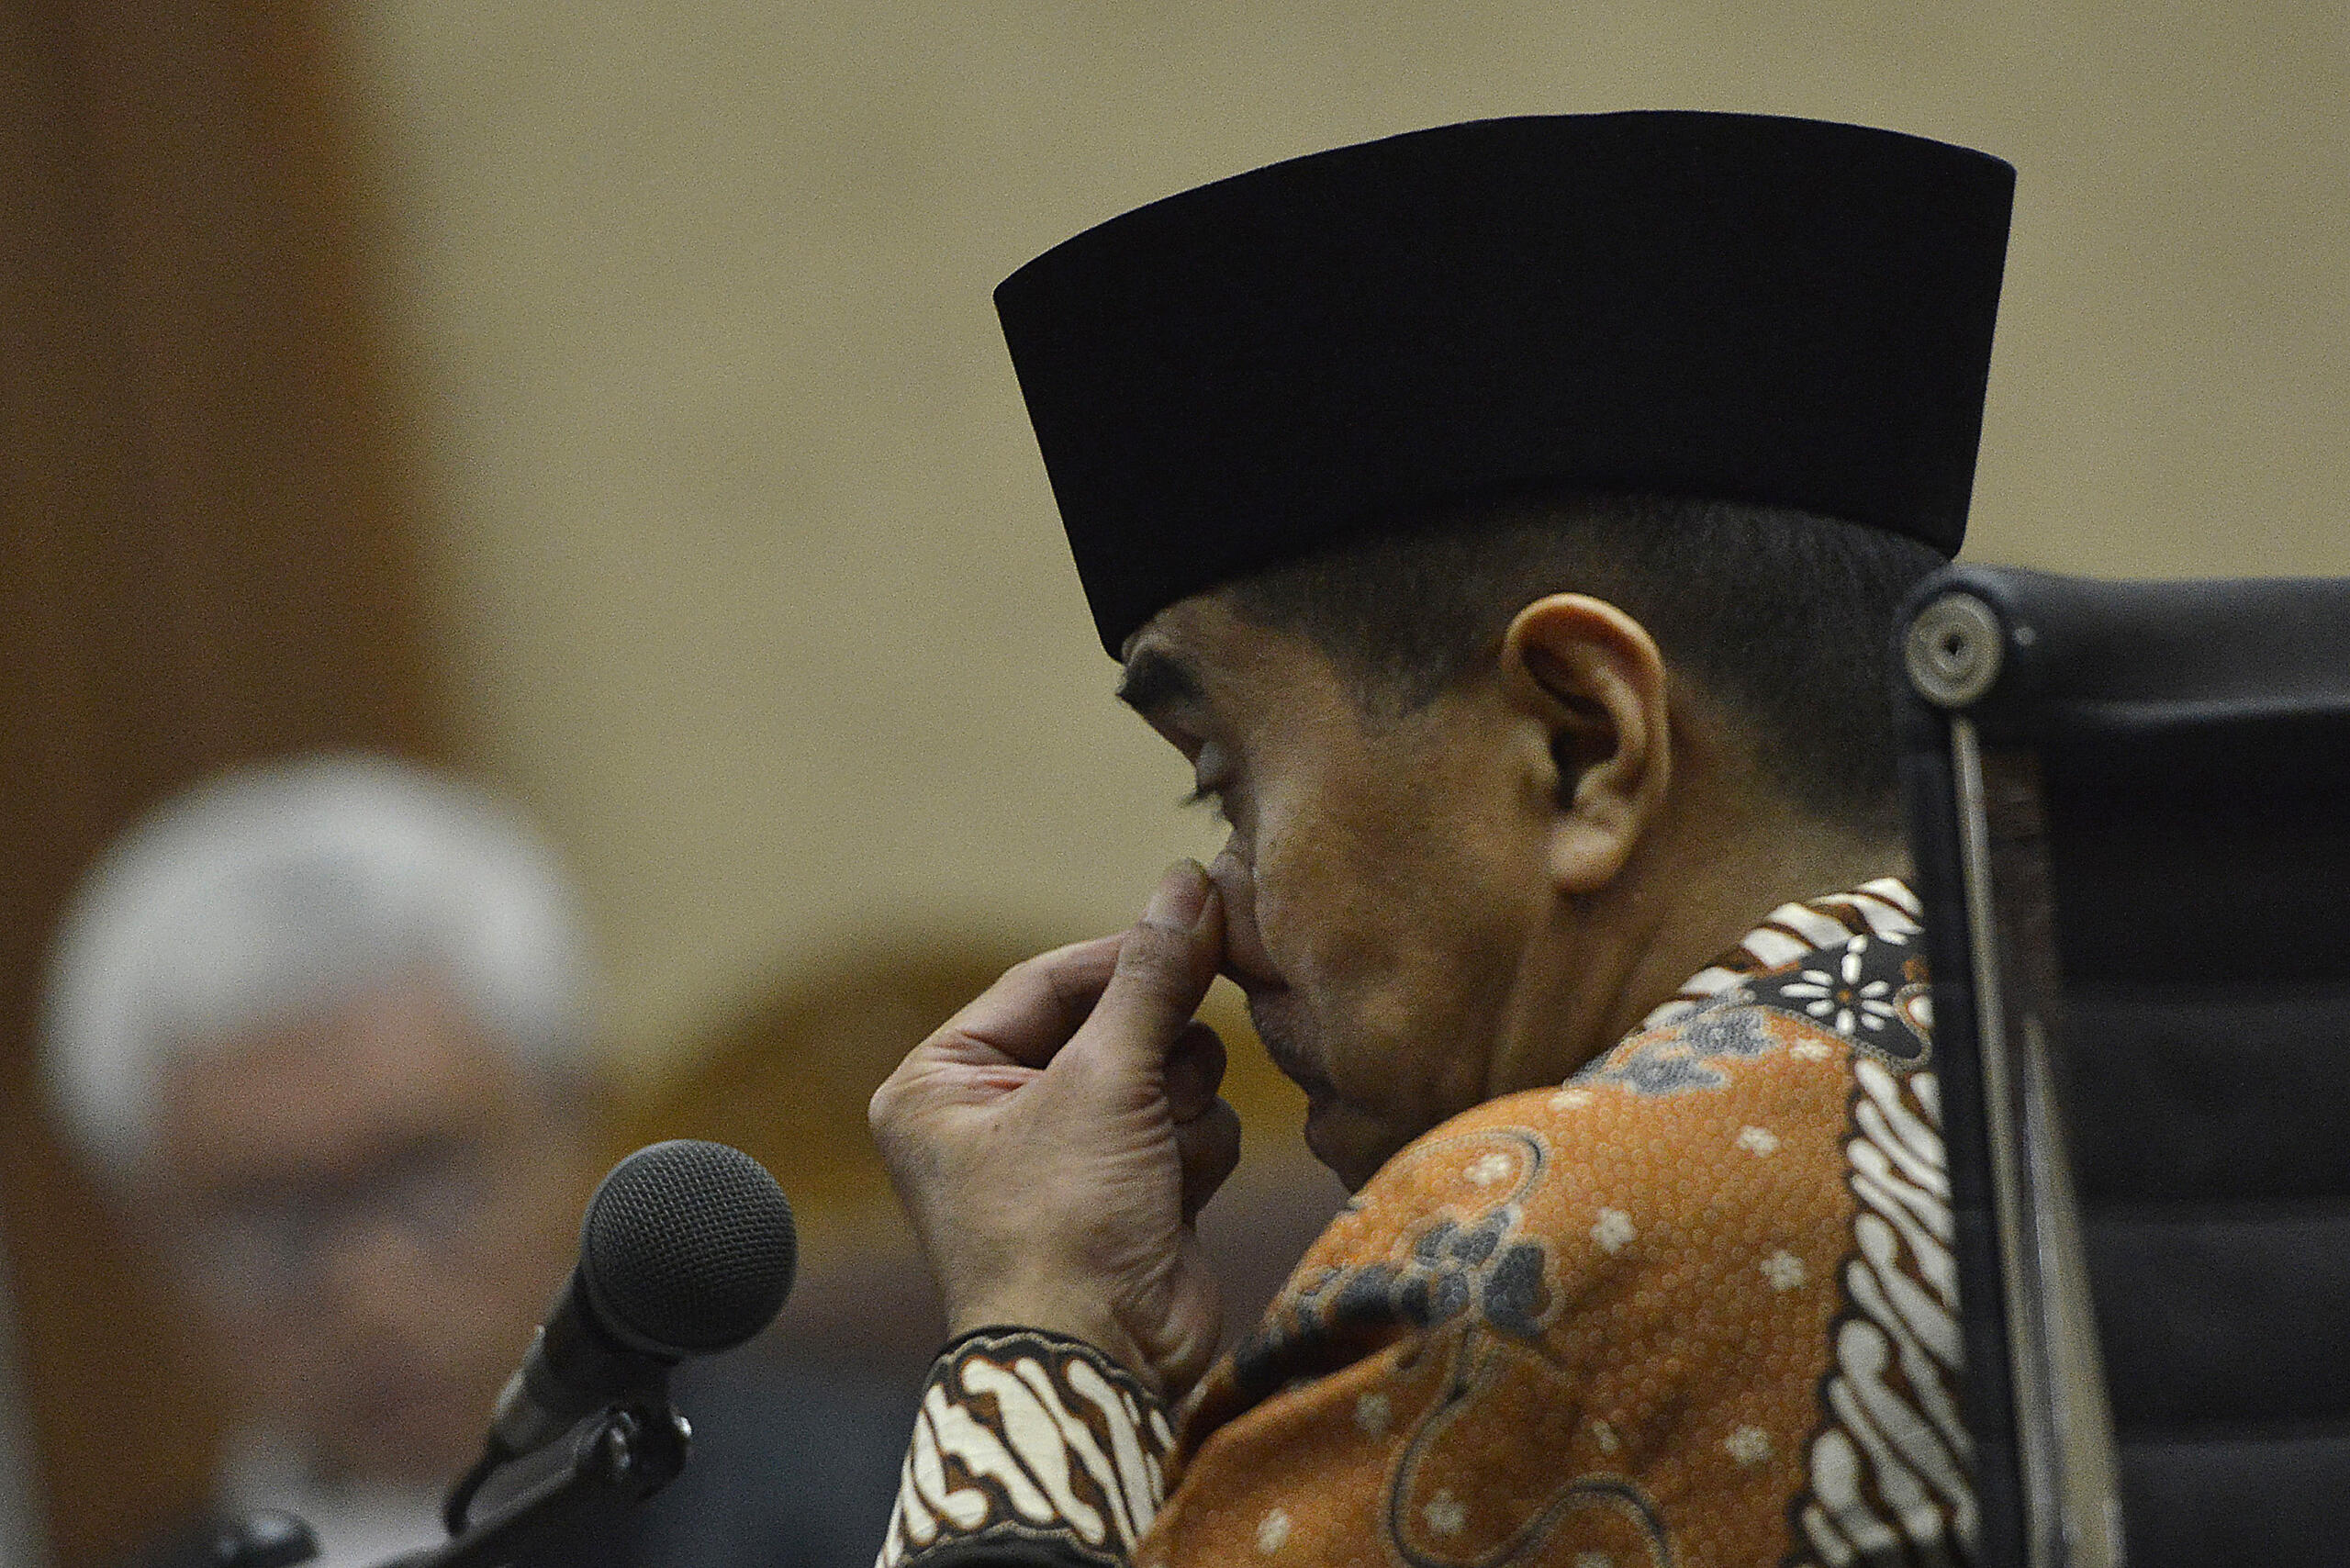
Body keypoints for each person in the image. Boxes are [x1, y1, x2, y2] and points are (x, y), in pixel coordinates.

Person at [867, 112, 2011, 1567]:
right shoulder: (2151, 1063)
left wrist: (1043, 1321)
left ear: (1582, 744)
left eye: (1223, 781)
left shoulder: (1539, 1249)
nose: (1219, 917)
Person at [41, 755, 910, 1568]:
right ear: (149, 1247)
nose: (370, 1289)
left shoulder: (888, 1510)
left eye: (428, 1179)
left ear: (588, 1135)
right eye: (267, 1223)